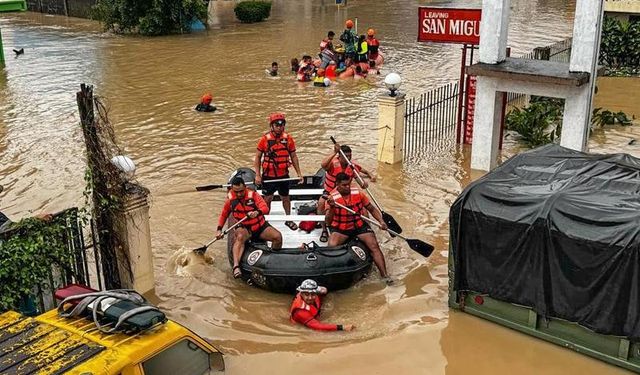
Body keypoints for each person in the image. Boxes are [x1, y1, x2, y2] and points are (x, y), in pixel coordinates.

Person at [326, 173, 390, 280]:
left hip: (359, 226)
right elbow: (328, 220)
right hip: (342, 228)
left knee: (374, 246)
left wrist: (381, 221)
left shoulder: (358, 194)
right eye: (344, 185)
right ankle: (334, 275)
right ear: (337, 184)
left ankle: (385, 276)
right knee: (332, 246)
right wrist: (332, 207)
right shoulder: (331, 198)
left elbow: (372, 209)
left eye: (348, 184)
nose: (347, 187)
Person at [216, 177, 282, 278]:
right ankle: (236, 266)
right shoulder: (230, 200)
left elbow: (265, 208)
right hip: (244, 227)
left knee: (277, 237)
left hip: (259, 226)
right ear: (232, 190)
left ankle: (273, 259)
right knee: (240, 237)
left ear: (245, 188)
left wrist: (257, 212)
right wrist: (219, 229)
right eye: (236, 191)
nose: (239, 194)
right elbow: (224, 215)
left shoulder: (253, 195)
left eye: (241, 191)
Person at [254, 112, 303, 231]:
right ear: (272, 126)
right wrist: (258, 175)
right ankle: (265, 221)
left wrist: (299, 173)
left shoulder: (288, 139)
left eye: (282, 125)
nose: (280, 127)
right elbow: (257, 157)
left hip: (283, 175)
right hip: (269, 176)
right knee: (268, 199)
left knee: (285, 198)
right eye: (277, 125)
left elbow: (294, 157)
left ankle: (288, 219)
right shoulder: (264, 140)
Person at [317, 144, 376, 242]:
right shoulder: (332, 164)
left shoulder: (352, 166)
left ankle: (367, 228)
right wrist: (335, 151)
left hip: (345, 192)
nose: (348, 158)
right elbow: (323, 165)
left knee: (363, 208)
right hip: (330, 192)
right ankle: (324, 229)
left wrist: (364, 183)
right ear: (339, 156)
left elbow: (358, 175)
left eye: (350, 156)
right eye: (346, 156)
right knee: (320, 205)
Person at [290, 279, 355, 332]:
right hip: (305, 325)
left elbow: (324, 290)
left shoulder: (318, 293)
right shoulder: (300, 312)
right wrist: (342, 327)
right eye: (306, 294)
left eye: (313, 294)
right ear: (301, 294)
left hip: (315, 313)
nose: (310, 298)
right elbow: (318, 326)